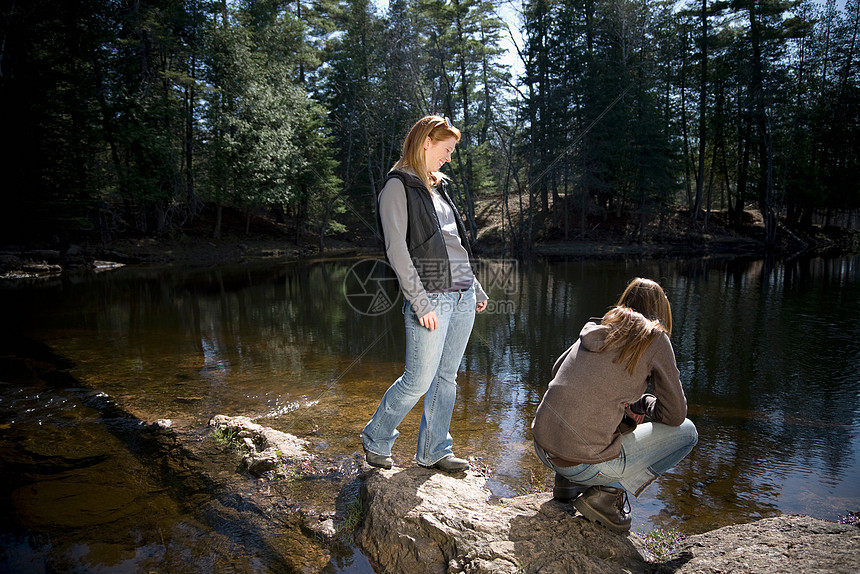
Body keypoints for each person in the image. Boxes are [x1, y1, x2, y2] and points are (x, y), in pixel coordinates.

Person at [361, 115, 488, 473]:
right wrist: (419, 302)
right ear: (426, 142)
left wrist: (475, 286)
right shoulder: (397, 186)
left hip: (462, 294)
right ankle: (376, 437)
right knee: (418, 380)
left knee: (446, 377)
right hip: (430, 296)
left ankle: (434, 450)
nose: (449, 158)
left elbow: (453, 243)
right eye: (446, 150)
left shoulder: (438, 188)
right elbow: (397, 250)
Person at [531, 277, 698, 534]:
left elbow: (558, 371)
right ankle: (607, 495)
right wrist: (647, 403)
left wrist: (630, 402)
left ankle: (567, 482)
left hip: (543, 447)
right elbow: (675, 415)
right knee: (688, 432)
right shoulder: (655, 339)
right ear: (662, 314)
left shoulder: (598, 327)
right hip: (581, 464)